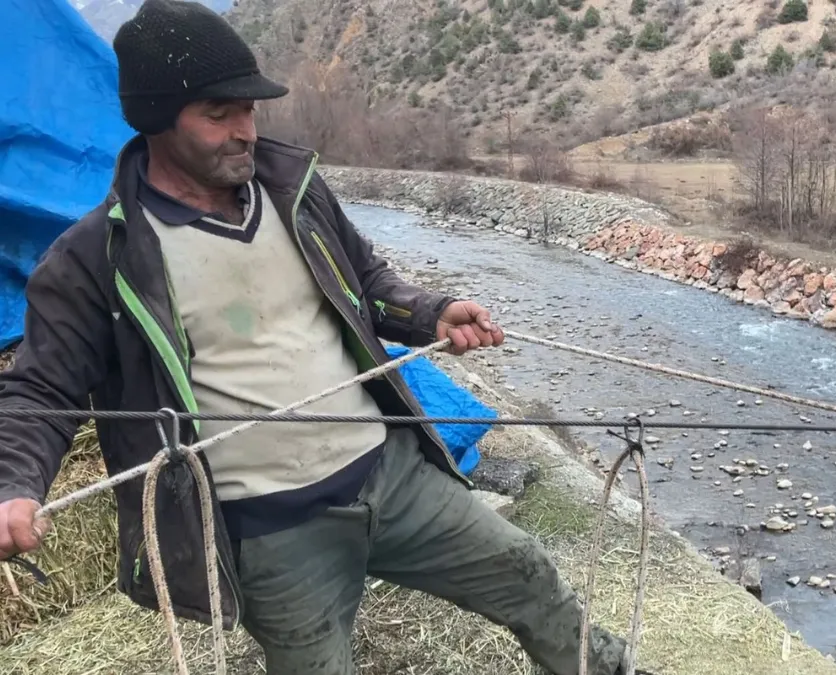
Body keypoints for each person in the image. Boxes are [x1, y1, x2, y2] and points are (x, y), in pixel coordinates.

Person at [0, 1, 652, 673]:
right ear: (155, 119)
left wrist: (429, 314)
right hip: (270, 531)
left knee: (528, 573)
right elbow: (41, 390)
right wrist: (14, 484)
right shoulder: (95, 259)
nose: (245, 132)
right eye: (219, 115)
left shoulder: (294, 190)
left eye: (249, 110)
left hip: (391, 476)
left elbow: (364, 278)